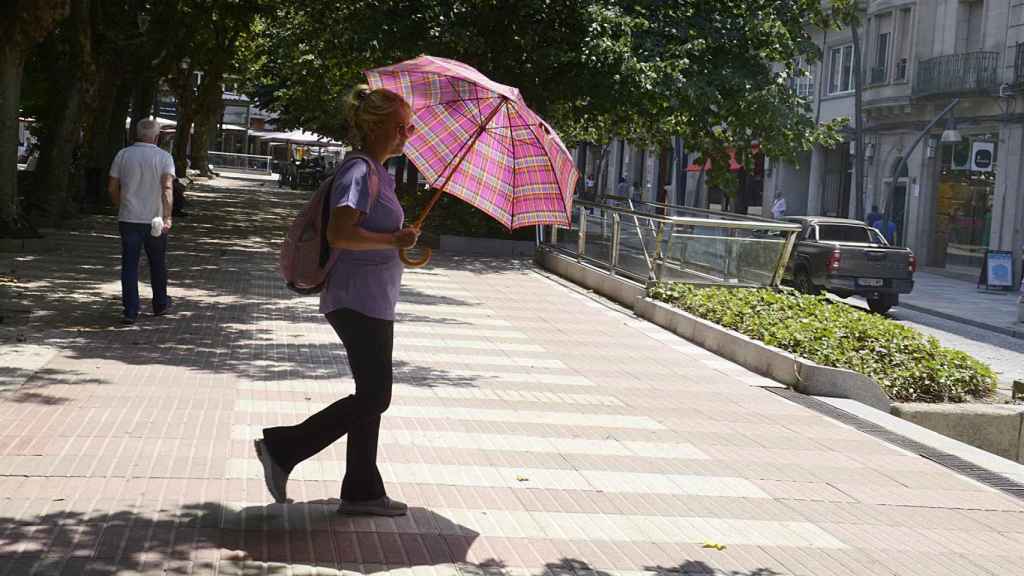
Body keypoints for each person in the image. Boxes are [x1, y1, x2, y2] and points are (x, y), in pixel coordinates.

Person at [254, 85, 420, 517]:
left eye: (410, 126)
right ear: (376, 126)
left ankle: (362, 490)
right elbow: (341, 234)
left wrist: (397, 242)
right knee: (376, 396)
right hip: (356, 298)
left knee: (370, 393)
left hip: (372, 298)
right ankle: (283, 447)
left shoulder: (377, 173)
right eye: (401, 126)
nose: (409, 133)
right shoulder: (361, 172)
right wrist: (392, 239)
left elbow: (366, 234)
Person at [108, 118, 175, 324]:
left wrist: (121, 205)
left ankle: (130, 310)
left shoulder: (123, 155)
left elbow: (111, 187)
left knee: (129, 264)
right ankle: (160, 303)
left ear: (136, 134)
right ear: (157, 137)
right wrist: (167, 216)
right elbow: (167, 188)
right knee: (157, 262)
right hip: (154, 219)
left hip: (129, 218)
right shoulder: (164, 157)